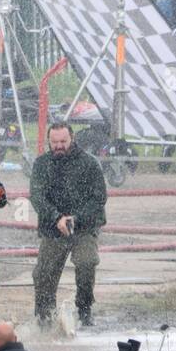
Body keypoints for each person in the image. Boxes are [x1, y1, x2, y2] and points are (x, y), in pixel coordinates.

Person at [30, 122, 106, 330]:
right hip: (53, 227)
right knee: (43, 273)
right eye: (54, 142)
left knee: (86, 262)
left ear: (72, 139)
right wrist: (56, 218)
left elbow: (99, 198)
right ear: (49, 141)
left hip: (83, 227)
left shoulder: (89, 163)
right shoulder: (42, 164)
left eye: (63, 141)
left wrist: (75, 218)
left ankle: (84, 308)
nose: (59, 146)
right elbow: (37, 196)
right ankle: (45, 316)